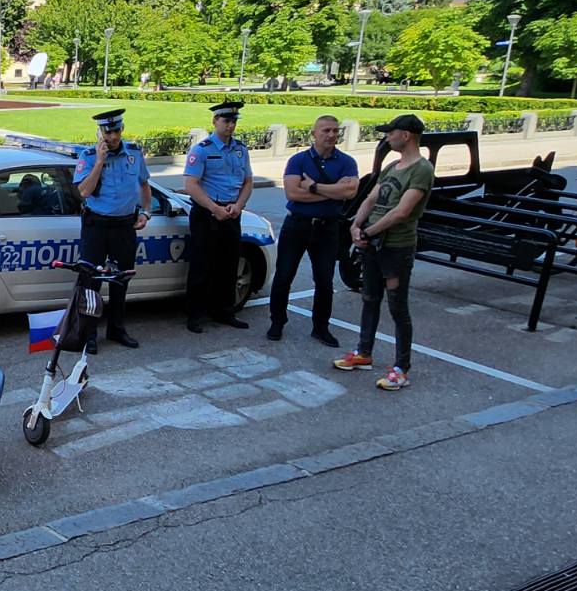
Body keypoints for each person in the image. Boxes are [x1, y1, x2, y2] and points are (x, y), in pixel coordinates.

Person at [334, 114, 434, 391]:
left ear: (407, 135)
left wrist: (369, 231)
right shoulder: (393, 166)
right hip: (373, 243)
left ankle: (402, 367)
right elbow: (371, 198)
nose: (387, 137)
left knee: (397, 307)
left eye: (391, 132)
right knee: (369, 298)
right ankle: (364, 353)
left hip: (396, 247)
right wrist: (356, 225)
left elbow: (402, 212)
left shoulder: (422, 170)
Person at [267, 115, 359, 346]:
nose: (331, 135)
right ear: (314, 133)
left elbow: (350, 193)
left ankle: (321, 327)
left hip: (328, 228)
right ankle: (277, 322)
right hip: (297, 225)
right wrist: (333, 190)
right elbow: (293, 193)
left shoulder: (347, 162)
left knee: (325, 280)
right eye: (326, 130)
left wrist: (315, 187)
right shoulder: (298, 160)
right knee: (284, 276)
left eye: (335, 131)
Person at [73, 109, 151, 352]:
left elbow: (144, 183)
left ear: (122, 130)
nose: (112, 137)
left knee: (121, 279)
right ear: (100, 133)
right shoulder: (87, 156)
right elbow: (84, 192)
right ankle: (89, 334)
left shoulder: (134, 153)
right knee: (91, 281)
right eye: (107, 132)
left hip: (124, 225)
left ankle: (117, 329)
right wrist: (99, 162)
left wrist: (146, 212)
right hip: (96, 224)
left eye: (116, 131)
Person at [182, 100, 254, 333]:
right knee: (202, 265)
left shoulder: (240, 149)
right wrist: (215, 208)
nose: (230, 126)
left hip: (232, 212)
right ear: (215, 121)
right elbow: (191, 185)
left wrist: (239, 206)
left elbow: (248, 181)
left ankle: (224, 311)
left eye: (233, 121)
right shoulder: (202, 150)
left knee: (229, 264)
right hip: (207, 213)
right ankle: (195, 315)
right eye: (226, 121)